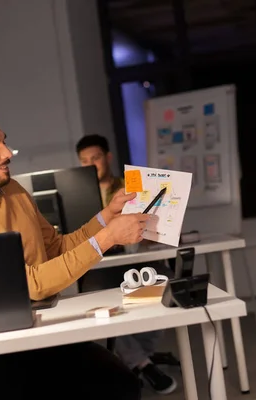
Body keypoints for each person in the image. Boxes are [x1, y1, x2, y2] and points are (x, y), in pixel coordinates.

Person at [0, 111, 149, 400]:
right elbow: (30, 285)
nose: (7, 153)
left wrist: (107, 217)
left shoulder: (14, 191)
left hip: (47, 336)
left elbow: (55, 248)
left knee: (122, 384)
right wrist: (107, 238)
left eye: (4, 143)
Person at [76, 134, 177, 395]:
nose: (91, 164)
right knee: (102, 303)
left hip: (135, 257)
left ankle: (139, 359)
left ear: (108, 157)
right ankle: (144, 364)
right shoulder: (76, 194)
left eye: (95, 158)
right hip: (98, 264)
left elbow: (154, 228)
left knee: (165, 286)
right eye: (84, 161)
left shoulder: (130, 187)